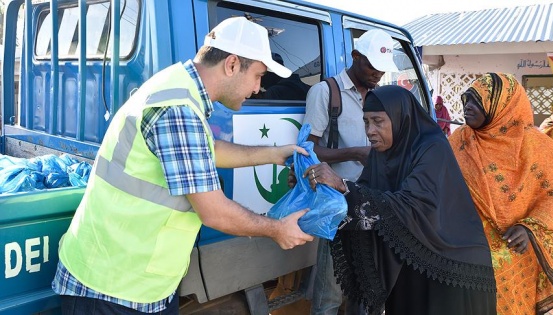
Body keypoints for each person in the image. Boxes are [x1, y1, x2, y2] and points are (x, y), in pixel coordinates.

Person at [51, 17, 314, 314]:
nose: (257, 88)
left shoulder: (180, 86)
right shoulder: (178, 108)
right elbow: (214, 212)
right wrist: (278, 229)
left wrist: (275, 154)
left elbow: (206, 150)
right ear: (231, 64)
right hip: (111, 288)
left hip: (141, 283)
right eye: (257, 76)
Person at [299, 85, 497, 315]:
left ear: (399, 117)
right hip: (412, 264)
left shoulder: (432, 147)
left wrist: (342, 185)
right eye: (366, 122)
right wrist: (317, 186)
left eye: (377, 121)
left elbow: (412, 206)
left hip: (450, 269)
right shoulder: (381, 154)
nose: (370, 131)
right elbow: (360, 202)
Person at [303, 28, 399, 315]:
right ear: (355, 56)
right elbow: (308, 149)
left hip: (372, 199)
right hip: (337, 203)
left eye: (383, 69)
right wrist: (356, 153)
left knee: (367, 283)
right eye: (372, 66)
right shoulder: (325, 92)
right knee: (330, 289)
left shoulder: (380, 96)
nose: (378, 74)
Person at [449, 73, 553, 314]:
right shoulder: (459, 141)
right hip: (465, 254)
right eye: (467, 99)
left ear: (502, 106)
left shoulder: (537, 147)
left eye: (477, 101)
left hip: (517, 256)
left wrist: (530, 227)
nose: (468, 106)